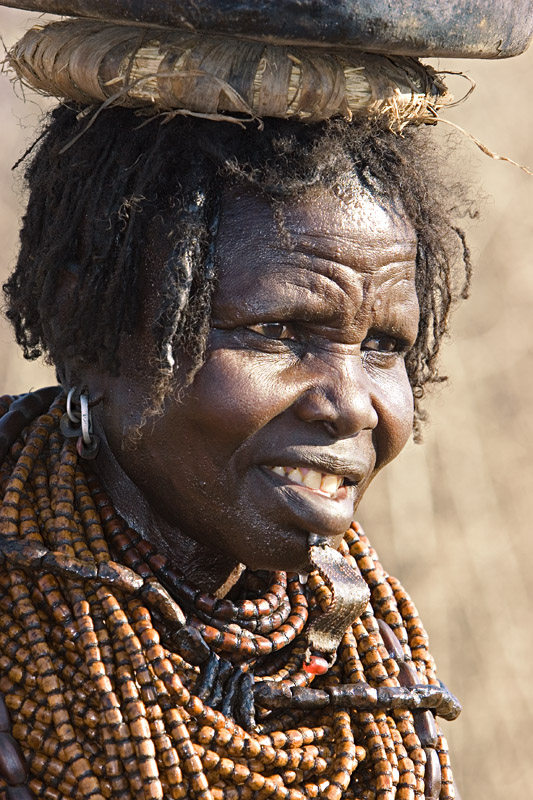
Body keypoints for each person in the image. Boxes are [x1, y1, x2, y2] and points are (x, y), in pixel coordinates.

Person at [0, 96, 471, 798]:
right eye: (278, 332)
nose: (347, 404)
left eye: (382, 346)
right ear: (87, 327)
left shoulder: (362, 656)